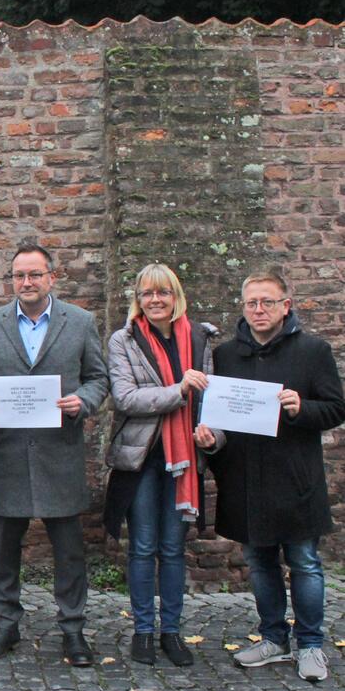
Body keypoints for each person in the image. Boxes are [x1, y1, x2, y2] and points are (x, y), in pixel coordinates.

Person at [0, 244, 109, 666]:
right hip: (9, 451)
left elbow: (99, 378)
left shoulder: (79, 322)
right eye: (19, 275)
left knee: (69, 549)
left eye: (34, 274)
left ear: (51, 277)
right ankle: (6, 623)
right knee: (4, 547)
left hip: (60, 451)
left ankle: (73, 628)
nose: (26, 282)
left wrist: (83, 400)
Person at [198, 271, 344, 683]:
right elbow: (219, 418)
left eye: (267, 302)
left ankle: (311, 644)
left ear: (286, 306)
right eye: (252, 303)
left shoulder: (313, 351)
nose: (259, 310)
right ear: (243, 308)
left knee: (304, 563)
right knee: (259, 563)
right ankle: (273, 638)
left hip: (296, 478)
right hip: (245, 479)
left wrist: (301, 408)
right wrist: (210, 438)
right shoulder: (226, 355)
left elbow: (336, 408)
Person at [103, 264, 215, 667]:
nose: (155, 300)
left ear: (175, 296)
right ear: (138, 299)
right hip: (143, 459)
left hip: (184, 460)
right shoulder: (124, 339)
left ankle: (171, 631)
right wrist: (178, 390)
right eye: (147, 293)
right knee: (142, 546)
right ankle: (143, 631)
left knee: (172, 549)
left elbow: (212, 401)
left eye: (162, 292)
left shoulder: (199, 338)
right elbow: (126, 399)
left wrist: (214, 436)